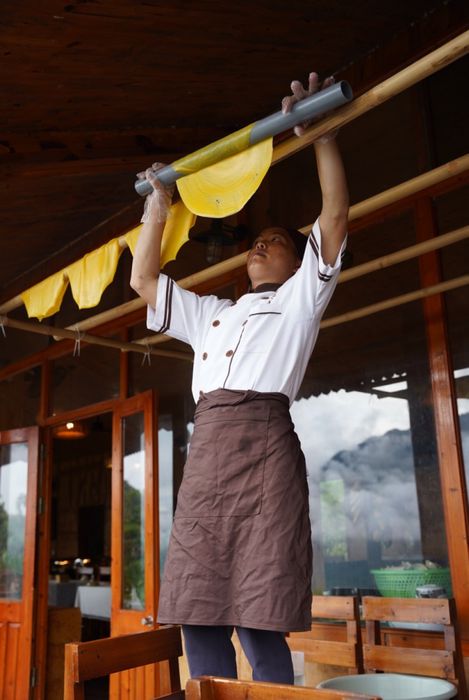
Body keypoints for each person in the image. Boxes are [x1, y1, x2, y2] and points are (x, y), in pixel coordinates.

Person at [130, 72, 349, 684]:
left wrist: (321, 134)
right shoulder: (212, 313)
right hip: (209, 455)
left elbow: (334, 214)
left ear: (299, 262)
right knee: (198, 615)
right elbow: (143, 281)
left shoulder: (302, 300)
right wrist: (157, 207)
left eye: (275, 242)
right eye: (256, 241)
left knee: (259, 616)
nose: (260, 246)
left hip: (265, 449)